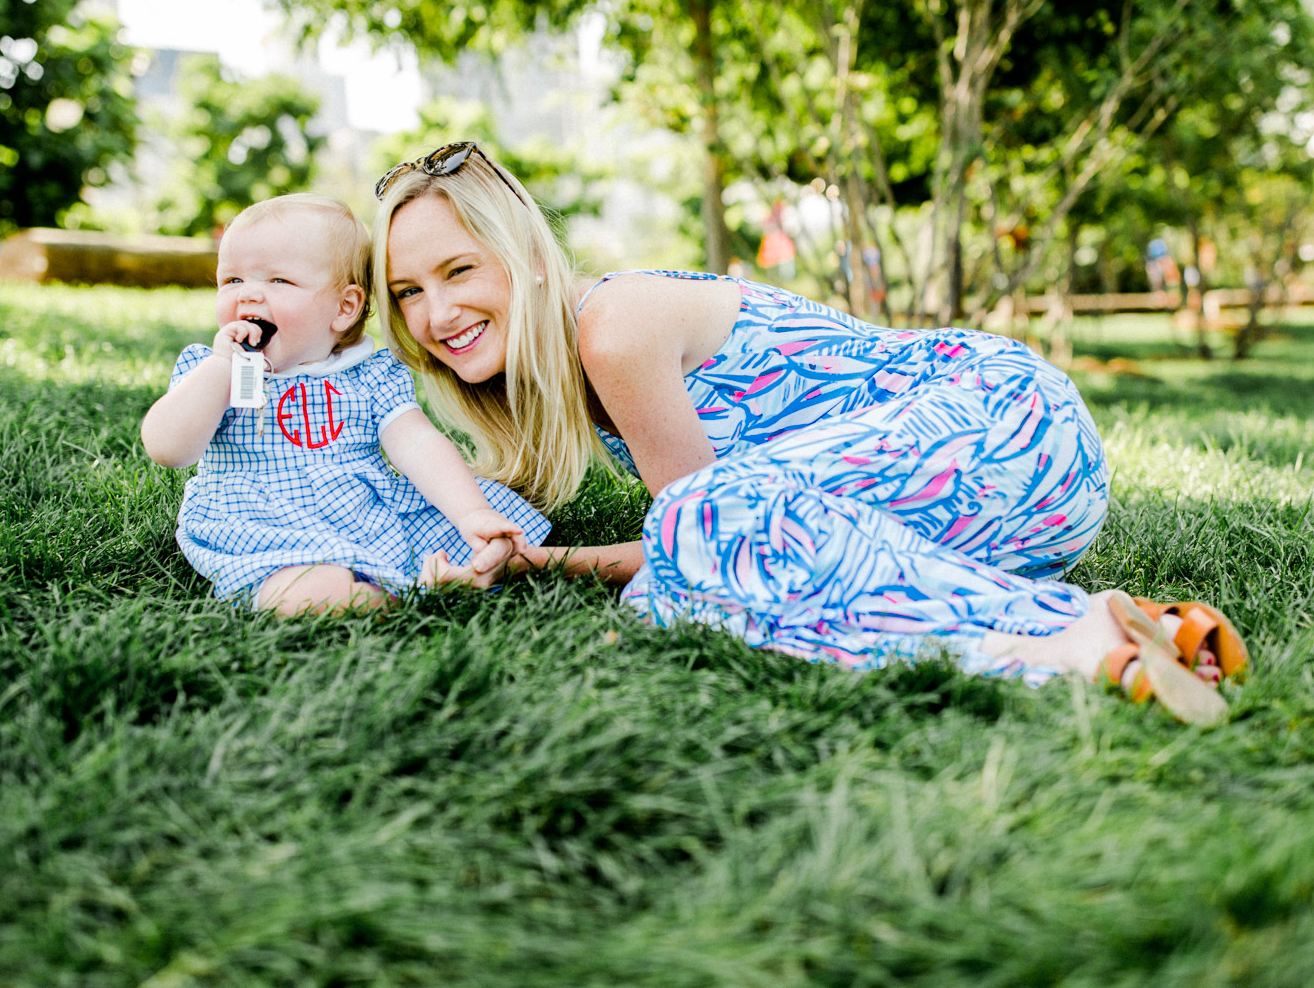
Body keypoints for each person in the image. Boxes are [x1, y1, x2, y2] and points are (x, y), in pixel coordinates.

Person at [374, 143, 1249, 722]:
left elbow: (701, 522)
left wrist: (552, 565)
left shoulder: (612, 325)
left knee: (691, 555)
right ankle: (1093, 639)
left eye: (459, 270)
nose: (438, 312)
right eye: (410, 291)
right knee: (678, 601)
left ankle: (1070, 633)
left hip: (1002, 418)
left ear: (526, 258)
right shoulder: (551, 376)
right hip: (984, 510)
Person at [141, 193, 547, 614]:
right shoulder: (210, 371)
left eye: (278, 281)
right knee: (303, 590)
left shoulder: (368, 374)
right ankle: (392, 596)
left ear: (344, 307)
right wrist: (221, 370)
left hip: (363, 514)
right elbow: (168, 449)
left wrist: (470, 514)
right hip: (263, 526)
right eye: (233, 281)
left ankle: (442, 573)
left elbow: (418, 446)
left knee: (472, 520)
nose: (249, 297)